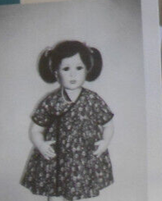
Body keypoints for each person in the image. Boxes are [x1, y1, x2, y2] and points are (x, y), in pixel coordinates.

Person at [20, 40, 114, 201]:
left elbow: (108, 125)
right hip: (56, 160)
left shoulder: (92, 100)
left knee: (80, 195)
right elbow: (36, 129)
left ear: (87, 69)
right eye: (66, 69)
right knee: (55, 197)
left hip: (83, 159)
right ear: (56, 72)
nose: (73, 74)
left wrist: (105, 142)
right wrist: (41, 145)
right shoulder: (51, 101)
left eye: (79, 68)